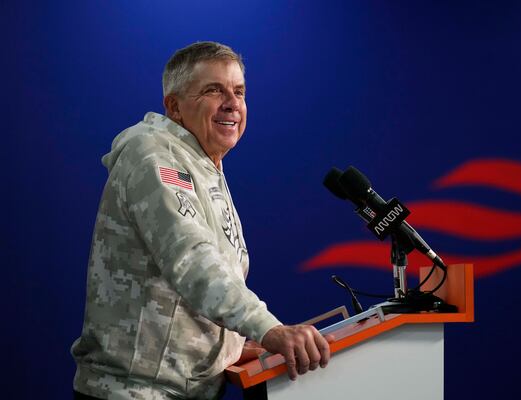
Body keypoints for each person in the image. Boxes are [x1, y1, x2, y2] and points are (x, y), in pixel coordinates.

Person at [71, 41, 331, 400]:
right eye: (214, 90)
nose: (232, 103)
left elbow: (211, 280)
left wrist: (235, 346)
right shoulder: (153, 154)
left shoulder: (204, 163)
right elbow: (193, 261)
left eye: (238, 91)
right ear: (174, 107)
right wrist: (268, 329)